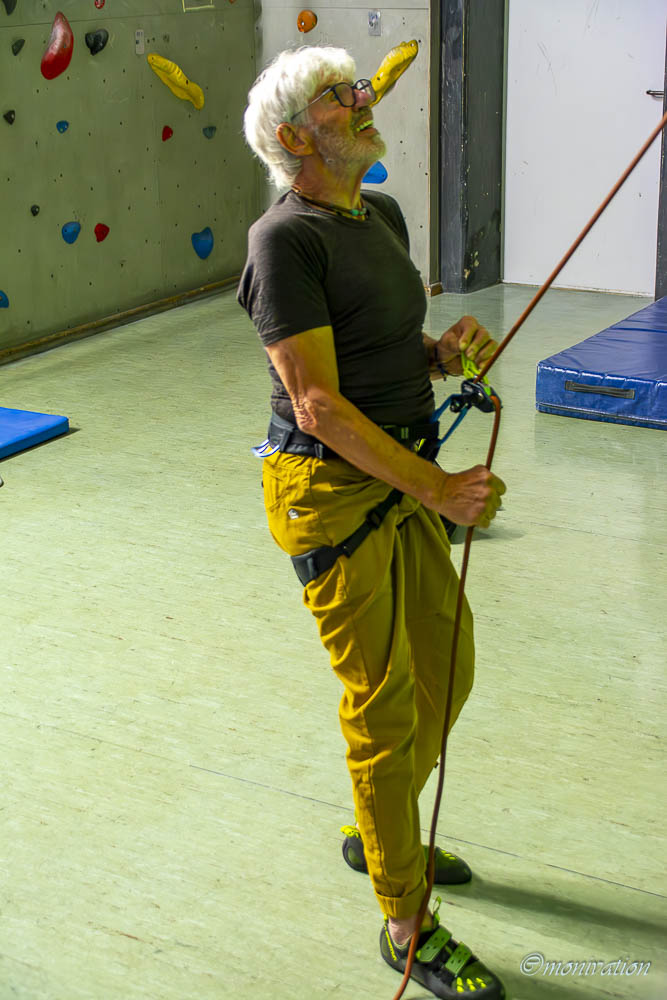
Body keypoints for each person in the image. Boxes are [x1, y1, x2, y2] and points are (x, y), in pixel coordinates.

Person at [237, 46, 506, 1000]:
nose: (362, 100)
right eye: (336, 97)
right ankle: (404, 919)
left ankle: (375, 818)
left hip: (395, 468)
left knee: (448, 667)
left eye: (357, 88)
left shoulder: (378, 212)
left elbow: (381, 348)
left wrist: (442, 353)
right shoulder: (284, 242)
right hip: (331, 487)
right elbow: (317, 405)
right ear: (291, 138)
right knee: (386, 705)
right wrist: (437, 491)